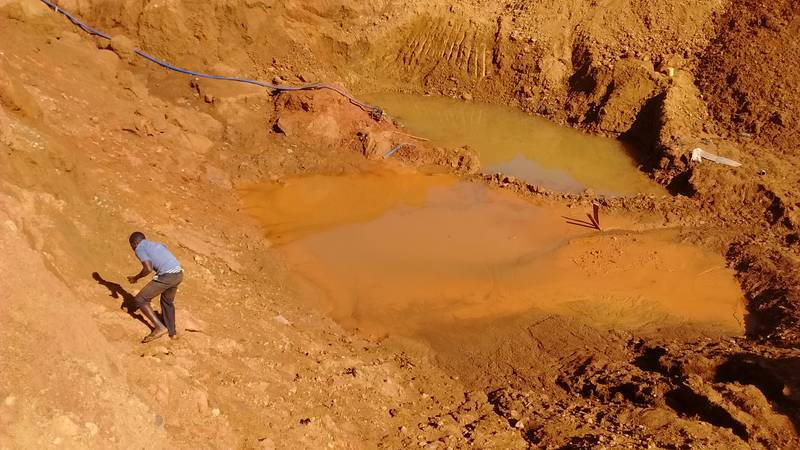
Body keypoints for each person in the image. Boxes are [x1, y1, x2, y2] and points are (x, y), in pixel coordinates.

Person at [127, 231, 183, 343]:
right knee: (167, 302)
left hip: (167, 276)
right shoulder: (157, 244)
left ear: (135, 243)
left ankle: (160, 327)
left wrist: (136, 278)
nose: (133, 248)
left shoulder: (139, 248)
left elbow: (148, 268)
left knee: (140, 299)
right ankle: (172, 333)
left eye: (132, 246)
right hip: (179, 273)